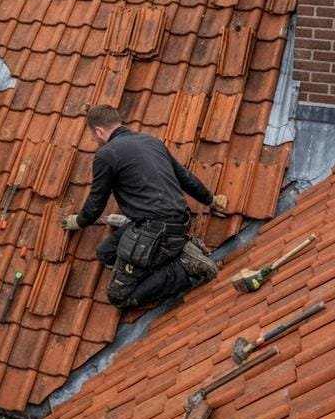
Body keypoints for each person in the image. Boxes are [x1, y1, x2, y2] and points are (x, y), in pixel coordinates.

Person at [61, 105, 227, 309]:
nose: (94, 140)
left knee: (119, 296)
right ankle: (177, 252)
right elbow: (185, 178)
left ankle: (184, 267)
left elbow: (96, 203)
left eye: (93, 136)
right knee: (105, 253)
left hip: (155, 232)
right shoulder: (151, 141)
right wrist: (211, 200)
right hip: (178, 224)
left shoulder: (105, 155)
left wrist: (78, 221)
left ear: (99, 131)